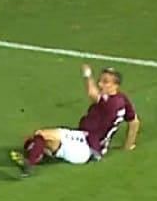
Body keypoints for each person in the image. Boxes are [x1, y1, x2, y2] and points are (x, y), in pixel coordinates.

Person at [10, 64, 141, 177]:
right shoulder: (123, 100)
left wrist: (87, 75)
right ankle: (39, 152)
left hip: (85, 145)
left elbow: (92, 94)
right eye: (100, 80)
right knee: (37, 139)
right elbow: (134, 122)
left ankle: (30, 164)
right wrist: (128, 145)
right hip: (85, 141)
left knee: (41, 135)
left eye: (105, 82)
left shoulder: (109, 103)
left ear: (116, 85)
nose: (100, 84)